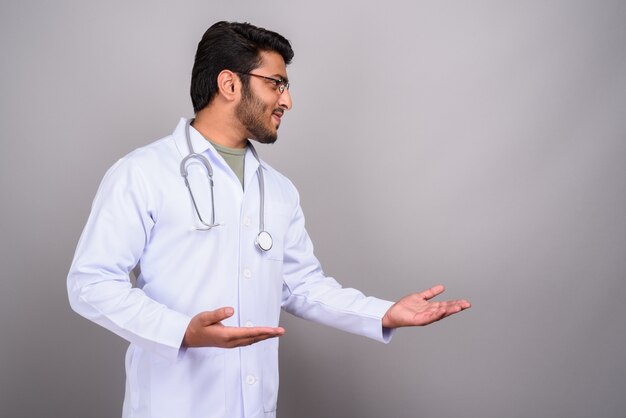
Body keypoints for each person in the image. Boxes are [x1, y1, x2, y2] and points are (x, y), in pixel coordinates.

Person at [67, 21, 470, 418]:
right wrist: (182, 331)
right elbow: (91, 282)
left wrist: (381, 314)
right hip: (175, 405)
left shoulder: (277, 190)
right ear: (229, 84)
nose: (287, 100)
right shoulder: (143, 172)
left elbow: (301, 286)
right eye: (276, 83)